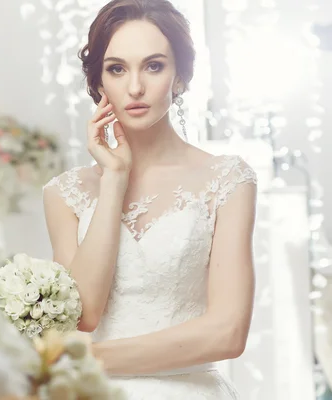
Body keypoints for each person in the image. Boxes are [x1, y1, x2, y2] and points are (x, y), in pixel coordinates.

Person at [42, 0, 257, 398]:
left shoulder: (228, 179)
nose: (135, 87)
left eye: (154, 66)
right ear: (99, 83)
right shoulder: (64, 194)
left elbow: (228, 332)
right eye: (117, 68)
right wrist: (115, 180)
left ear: (180, 77)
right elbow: (85, 312)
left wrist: (88, 358)